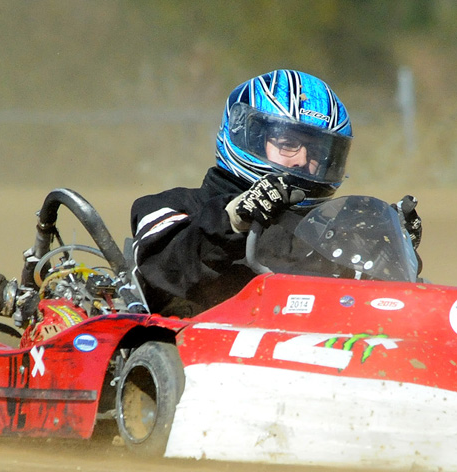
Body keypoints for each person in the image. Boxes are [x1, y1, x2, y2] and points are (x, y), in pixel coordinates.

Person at [130, 69, 422, 317]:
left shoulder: (325, 235)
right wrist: (233, 219)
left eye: (318, 151)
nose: (302, 161)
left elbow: (381, 312)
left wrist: (388, 248)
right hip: (203, 359)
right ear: (248, 135)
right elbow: (166, 272)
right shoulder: (173, 207)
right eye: (288, 143)